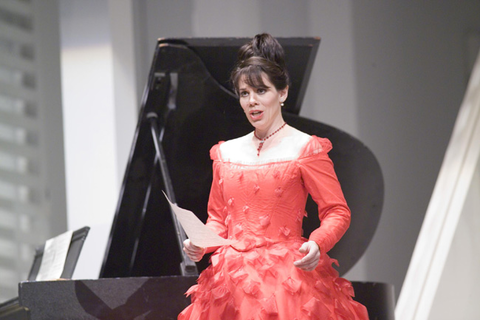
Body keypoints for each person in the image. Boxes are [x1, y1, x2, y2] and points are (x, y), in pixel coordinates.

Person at [178, 33, 369, 320]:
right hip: (230, 283)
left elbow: (337, 211)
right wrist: (201, 242)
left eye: (261, 91)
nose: (252, 101)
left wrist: (317, 243)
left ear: (283, 93)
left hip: (287, 282)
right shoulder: (225, 153)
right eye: (244, 93)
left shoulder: (305, 148)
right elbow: (218, 218)